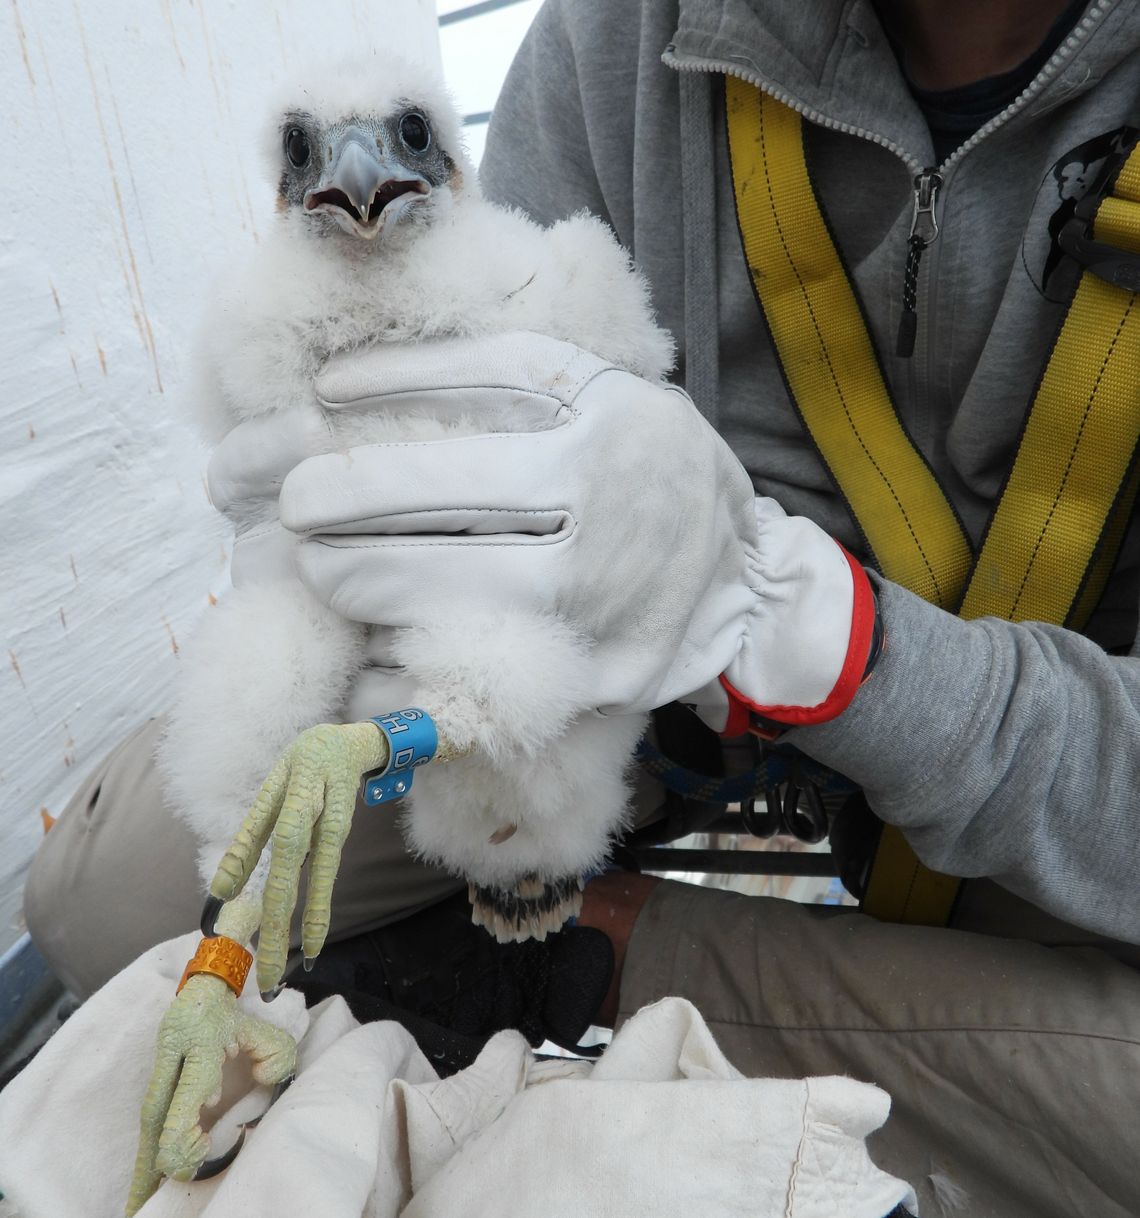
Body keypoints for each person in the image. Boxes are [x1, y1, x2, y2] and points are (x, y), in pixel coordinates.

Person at [23, 1, 1140, 1214]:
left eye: (402, 136)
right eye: (311, 154)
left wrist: (798, 619)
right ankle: (579, 960)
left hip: (1047, 771)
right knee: (114, 896)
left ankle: (594, 959)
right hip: (621, 698)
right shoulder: (622, 36)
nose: (356, 175)